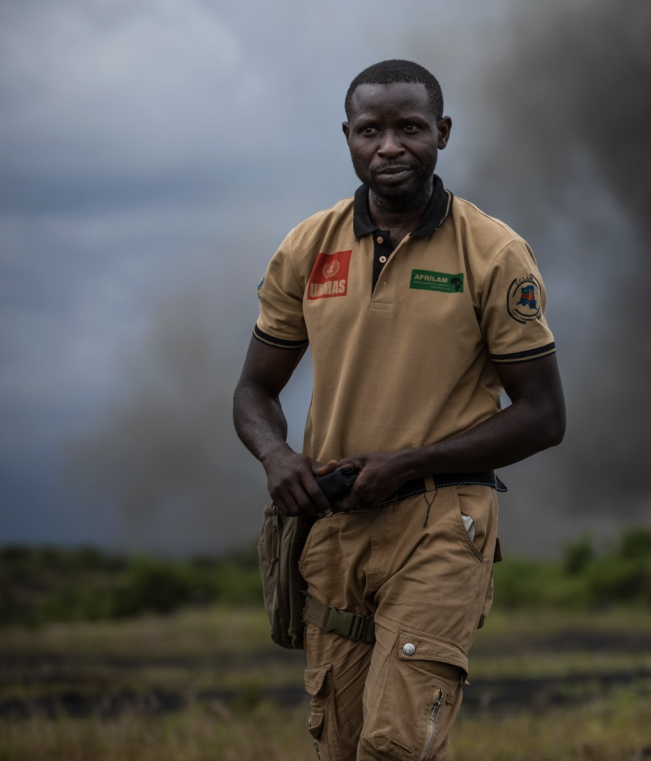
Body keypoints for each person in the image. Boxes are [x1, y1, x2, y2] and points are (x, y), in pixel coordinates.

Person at [233, 59, 565, 760]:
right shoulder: (307, 247)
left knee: (396, 745)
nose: (389, 145)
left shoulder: (493, 252)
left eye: (409, 127)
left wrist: (409, 462)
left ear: (441, 133)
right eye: (370, 129)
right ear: (347, 138)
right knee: (342, 743)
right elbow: (254, 391)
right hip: (334, 528)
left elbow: (542, 414)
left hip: (442, 523)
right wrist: (276, 456)